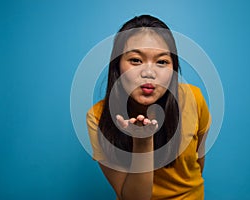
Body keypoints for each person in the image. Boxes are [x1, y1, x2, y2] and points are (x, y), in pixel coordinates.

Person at [86, 15, 211, 200]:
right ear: (117, 65)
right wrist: (143, 142)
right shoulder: (98, 117)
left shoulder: (194, 98)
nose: (149, 73)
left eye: (162, 62)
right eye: (136, 60)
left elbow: (198, 167)